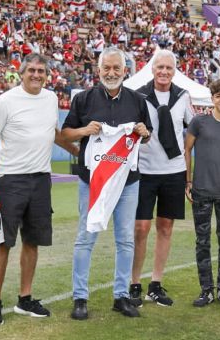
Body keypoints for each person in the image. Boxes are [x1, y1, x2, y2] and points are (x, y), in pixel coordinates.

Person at [0, 54, 79, 326]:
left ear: (47, 75)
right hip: (10, 181)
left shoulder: (50, 99)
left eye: (41, 71)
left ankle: (25, 299)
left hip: (41, 182)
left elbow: (54, 132)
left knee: (33, 241)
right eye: (31, 70)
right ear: (21, 73)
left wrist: (78, 152)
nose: (36, 75)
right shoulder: (5, 101)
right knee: (3, 242)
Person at [61, 47, 152, 320]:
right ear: (98, 70)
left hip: (127, 182)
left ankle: (121, 296)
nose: (111, 73)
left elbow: (146, 136)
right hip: (92, 181)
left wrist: (144, 133)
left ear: (125, 71)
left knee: (125, 240)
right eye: (106, 68)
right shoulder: (84, 99)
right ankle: (80, 297)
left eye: (117, 68)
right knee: (85, 238)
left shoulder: (137, 100)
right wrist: (84, 131)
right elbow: (65, 134)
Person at [130, 49, 194, 307]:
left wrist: (190, 176)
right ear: (152, 69)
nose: (164, 72)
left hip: (174, 172)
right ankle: (134, 283)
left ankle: (155, 284)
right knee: (140, 228)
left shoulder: (183, 96)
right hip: (145, 171)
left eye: (169, 68)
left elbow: (193, 129)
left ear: (175, 70)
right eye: (160, 67)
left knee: (165, 227)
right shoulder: (139, 97)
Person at [184, 78, 220, 307]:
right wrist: (187, 181)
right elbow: (187, 150)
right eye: (219, 96)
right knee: (202, 242)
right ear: (213, 98)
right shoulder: (199, 122)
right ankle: (206, 290)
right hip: (201, 192)